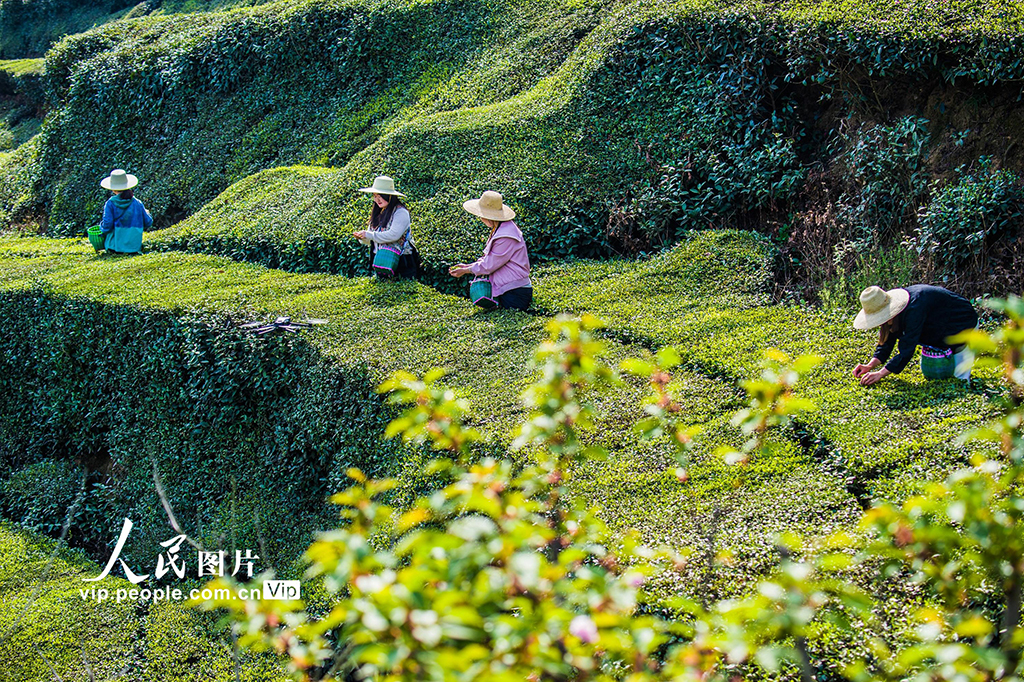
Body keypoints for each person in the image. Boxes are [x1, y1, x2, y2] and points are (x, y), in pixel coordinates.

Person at [851, 284, 979, 386]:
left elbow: (907, 349)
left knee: (959, 381)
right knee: (937, 378)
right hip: (937, 325)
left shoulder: (914, 309)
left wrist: (880, 373)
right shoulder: (893, 315)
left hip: (962, 323)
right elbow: (887, 341)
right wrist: (870, 365)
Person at [449, 190, 532, 311]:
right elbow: (490, 259)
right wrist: (468, 266)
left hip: (514, 292)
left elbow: (489, 265)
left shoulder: (506, 235)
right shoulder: (500, 228)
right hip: (508, 288)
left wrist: (466, 270)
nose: (480, 218)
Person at [353, 175, 418, 280]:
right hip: (381, 260)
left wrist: (368, 235)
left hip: (401, 262)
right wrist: (362, 238)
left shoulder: (400, 212)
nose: (377, 199)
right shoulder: (379, 212)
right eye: (375, 196)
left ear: (390, 196)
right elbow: (373, 238)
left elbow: (393, 235)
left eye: (381, 196)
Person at [100, 169, 152, 254]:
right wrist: (147, 213)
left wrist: (101, 230)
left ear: (113, 189)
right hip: (134, 247)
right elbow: (148, 222)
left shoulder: (110, 203)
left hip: (114, 247)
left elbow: (107, 225)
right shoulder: (137, 203)